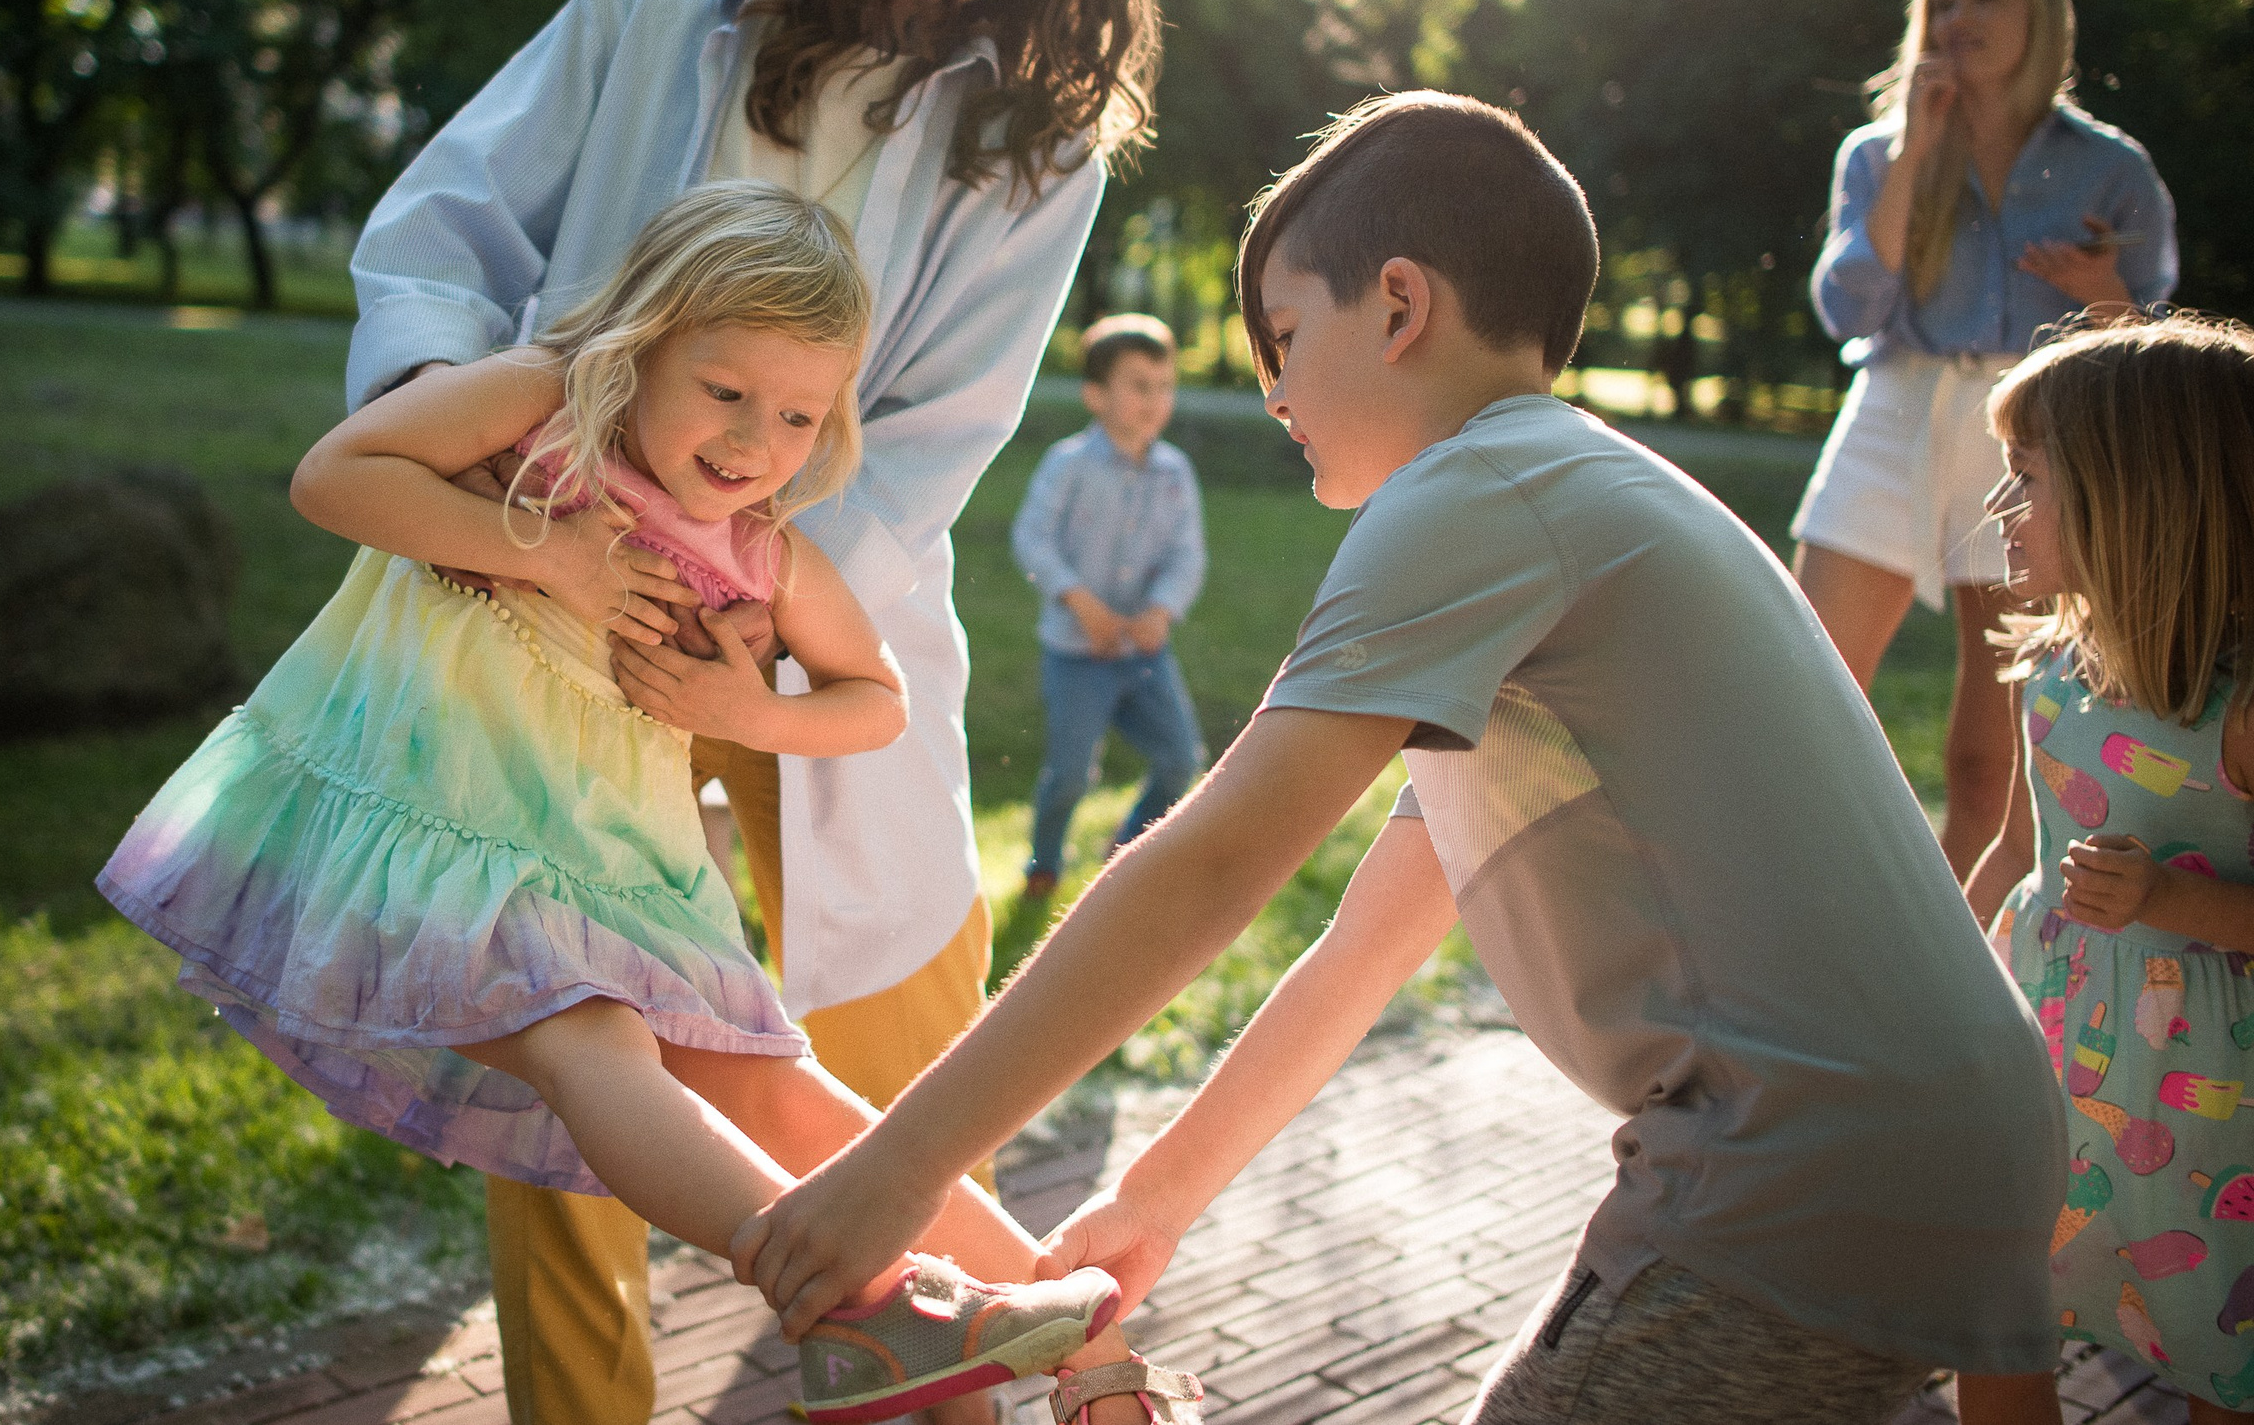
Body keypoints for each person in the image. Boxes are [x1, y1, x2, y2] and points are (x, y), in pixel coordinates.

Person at [729, 92, 2070, 1425]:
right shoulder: (1565, 501)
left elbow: (1215, 860)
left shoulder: (1474, 492)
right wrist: (1156, 1195)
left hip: (1796, 1167)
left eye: (1286, 337)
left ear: (1400, 304)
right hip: (1961, 1135)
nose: (1271, 389)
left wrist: (897, 1170)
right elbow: (1365, 944)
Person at [340, 0, 1163, 1414]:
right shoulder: (655, 7)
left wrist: (744, 632)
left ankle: (1005, 1347)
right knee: (588, 1075)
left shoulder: (1040, 146)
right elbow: (445, 230)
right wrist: (502, 483)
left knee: (886, 1068)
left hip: (818, 633)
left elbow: (939, 426)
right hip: (555, 605)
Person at [97, 184, 1136, 1423]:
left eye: (800, 412)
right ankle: (861, 1304)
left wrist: (754, 714)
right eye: (726, 388)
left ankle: (1067, 1331)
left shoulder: (760, 551)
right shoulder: (540, 409)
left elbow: (874, 696)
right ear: (642, 344)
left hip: (611, 871)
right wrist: (544, 548)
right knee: (595, 1040)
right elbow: (335, 475)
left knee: (782, 1089)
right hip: (437, 831)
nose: (756, 438)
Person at [1796, 0, 2176, 883]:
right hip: (1890, 411)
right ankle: (1795, 935)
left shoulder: (2110, 168)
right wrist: (1917, 153)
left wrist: (2104, 295)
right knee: (1801, 695)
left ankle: (1959, 983)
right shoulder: (1875, 153)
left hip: (2031, 439)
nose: (1959, 15)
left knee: (1990, 759)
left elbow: (2145, 352)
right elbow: (1847, 306)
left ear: (2038, 14)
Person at [1957, 313, 2254, 1425]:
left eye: (2025, 476)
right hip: (2048, 1071)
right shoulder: (2051, 672)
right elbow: (2013, 849)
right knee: (1992, 1316)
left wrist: (2173, 899)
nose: (2000, 507)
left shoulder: (2236, 713)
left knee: (2221, 1360)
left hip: (2214, 1119)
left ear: (2137, 494)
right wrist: (1938, 976)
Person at [1013, 312, 1207, 903]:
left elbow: (1186, 555)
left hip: (1144, 651)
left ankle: (1123, 853)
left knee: (1180, 762)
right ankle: (1044, 861)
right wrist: (1078, 601)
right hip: (1077, 652)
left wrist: (1161, 610)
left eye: (1164, 385)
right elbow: (1033, 538)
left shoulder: (1175, 473)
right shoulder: (1067, 465)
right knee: (1071, 775)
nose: (1155, 399)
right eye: (1138, 386)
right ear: (1096, 396)